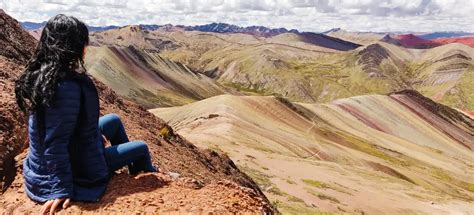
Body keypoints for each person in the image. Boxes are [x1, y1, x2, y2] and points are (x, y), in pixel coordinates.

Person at [14, 14, 157, 214]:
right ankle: (143, 171)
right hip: (78, 169)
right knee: (141, 148)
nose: (86, 48)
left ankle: (124, 167)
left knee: (114, 120)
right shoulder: (65, 88)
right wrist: (60, 189)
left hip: (68, 152)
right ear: (71, 47)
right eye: (83, 42)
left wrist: (94, 138)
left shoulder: (44, 74)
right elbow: (54, 142)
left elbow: (57, 127)